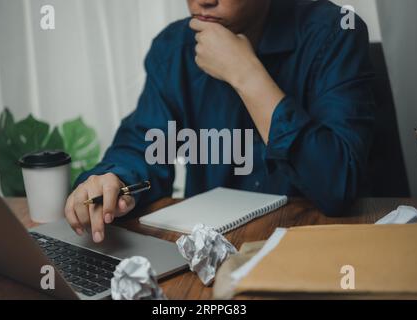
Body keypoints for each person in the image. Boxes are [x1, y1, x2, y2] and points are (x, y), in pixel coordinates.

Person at [65, 0, 375, 243]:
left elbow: (337, 186)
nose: (203, 1)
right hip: (211, 254)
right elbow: (144, 147)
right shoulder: (173, 48)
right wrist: (115, 181)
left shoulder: (335, 31)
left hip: (314, 245)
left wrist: (247, 76)